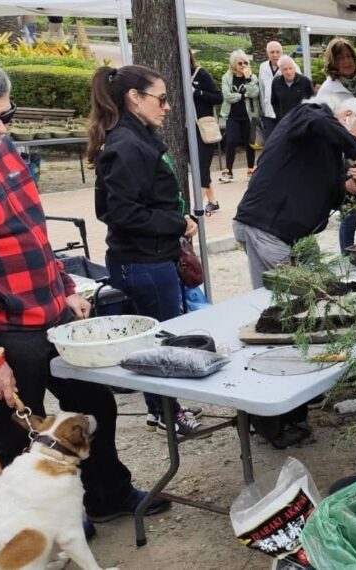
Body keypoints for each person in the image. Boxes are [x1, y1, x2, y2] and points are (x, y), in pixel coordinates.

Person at [0, 62, 171, 532]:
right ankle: (39, 526)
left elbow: (31, 232)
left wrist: (65, 285)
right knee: (18, 433)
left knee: (97, 405)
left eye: (5, 116)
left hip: (52, 310)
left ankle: (107, 494)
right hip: (7, 329)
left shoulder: (7, 150)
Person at [89, 64, 207, 438]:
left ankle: (166, 406)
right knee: (159, 342)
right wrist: (176, 223)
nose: (168, 106)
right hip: (142, 261)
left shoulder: (135, 139)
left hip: (151, 256)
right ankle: (166, 411)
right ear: (134, 98)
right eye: (161, 98)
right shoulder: (125, 145)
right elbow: (119, 213)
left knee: (161, 336)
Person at [233, 97, 356, 288]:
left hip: (298, 238)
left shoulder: (332, 149)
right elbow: (317, 120)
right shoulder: (308, 114)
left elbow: (328, 194)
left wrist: (348, 189)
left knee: (321, 288)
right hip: (267, 229)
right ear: (348, 117)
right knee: (281, 299)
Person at [218, 49, 261, 184]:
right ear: (233, 64)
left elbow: (254, 93)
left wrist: (247, 79)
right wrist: (243, 95)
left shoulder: (252, 77)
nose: (243, 65)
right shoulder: (227, 77)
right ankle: (228, 171)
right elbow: (227, 96)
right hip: (232, 115)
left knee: (250, 143)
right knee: (231, 141)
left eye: (245, 62)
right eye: (240, 63)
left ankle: (250, 169)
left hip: (249, 115)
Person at [189, 51, 224, 215]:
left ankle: (197, 206)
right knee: (198, 166)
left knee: (201, 166)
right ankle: (213, 201)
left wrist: (197, 93)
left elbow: (218, 97)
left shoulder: (200, 74)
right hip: (188, 128)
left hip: (204, 128)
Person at [258, 41, 300, 138]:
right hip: (269, 113)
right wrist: (264, 110)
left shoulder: (292, 66)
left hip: (287, 113)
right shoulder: (263, 67)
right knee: (270, 142)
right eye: (272, 52)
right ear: (267, 54)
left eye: (277, 52)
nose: (275, 55)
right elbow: (262, 90)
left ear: (282, 53)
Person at [317, 38, 356, 111]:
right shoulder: (327, 90)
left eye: (349, 56)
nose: (347, 61)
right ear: (332, 63)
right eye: (340, 58)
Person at [270, 55, 314, 123]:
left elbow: (312, 101)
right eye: (285, 69)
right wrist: (279, 117)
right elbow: (274, 102)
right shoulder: (276, 82)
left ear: (294, 68)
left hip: (302, 121)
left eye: (290, 68)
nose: (288, 72)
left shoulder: (305, 81)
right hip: (285, 122)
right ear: (280, 70)